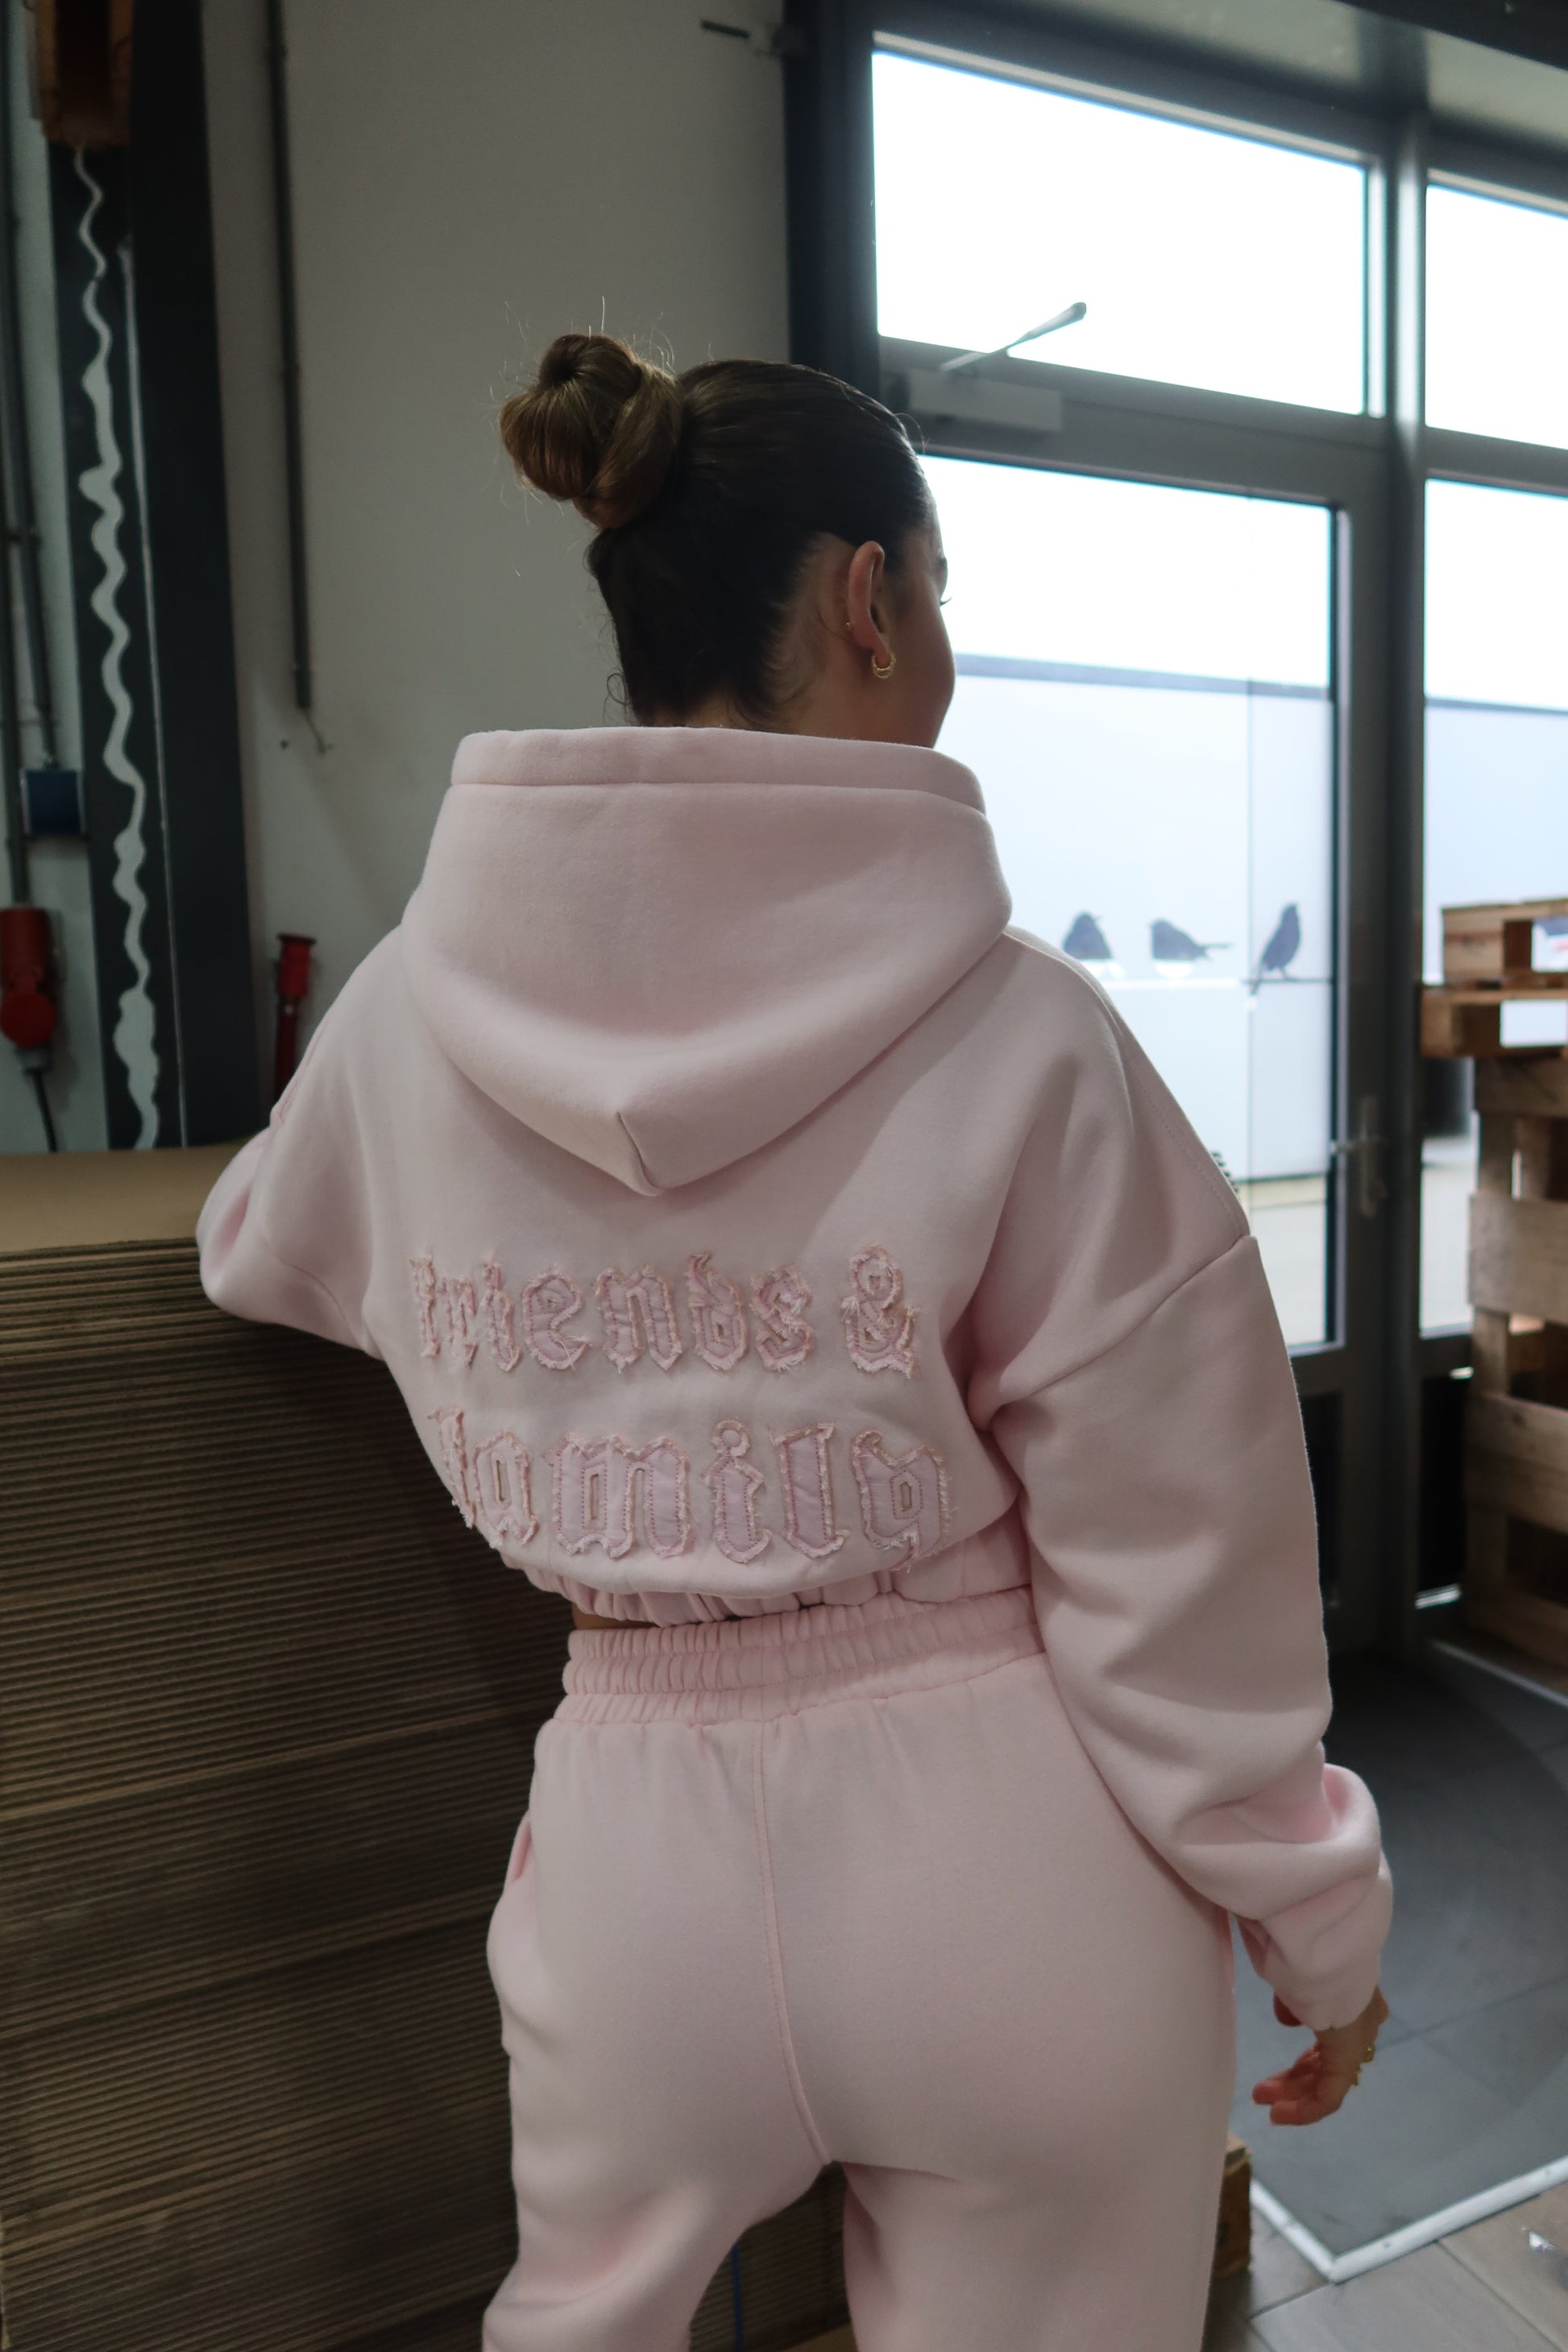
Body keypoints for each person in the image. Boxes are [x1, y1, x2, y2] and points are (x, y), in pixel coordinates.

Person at [197, 331, 1392, 2352]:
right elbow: (1182, 1555)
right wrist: (1319, 1923)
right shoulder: (1027, 1035)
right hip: (1013, 1870)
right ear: (870, 598)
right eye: (941, 591)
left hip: (628, 1869)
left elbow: (258, 1243)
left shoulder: (402, 1019)